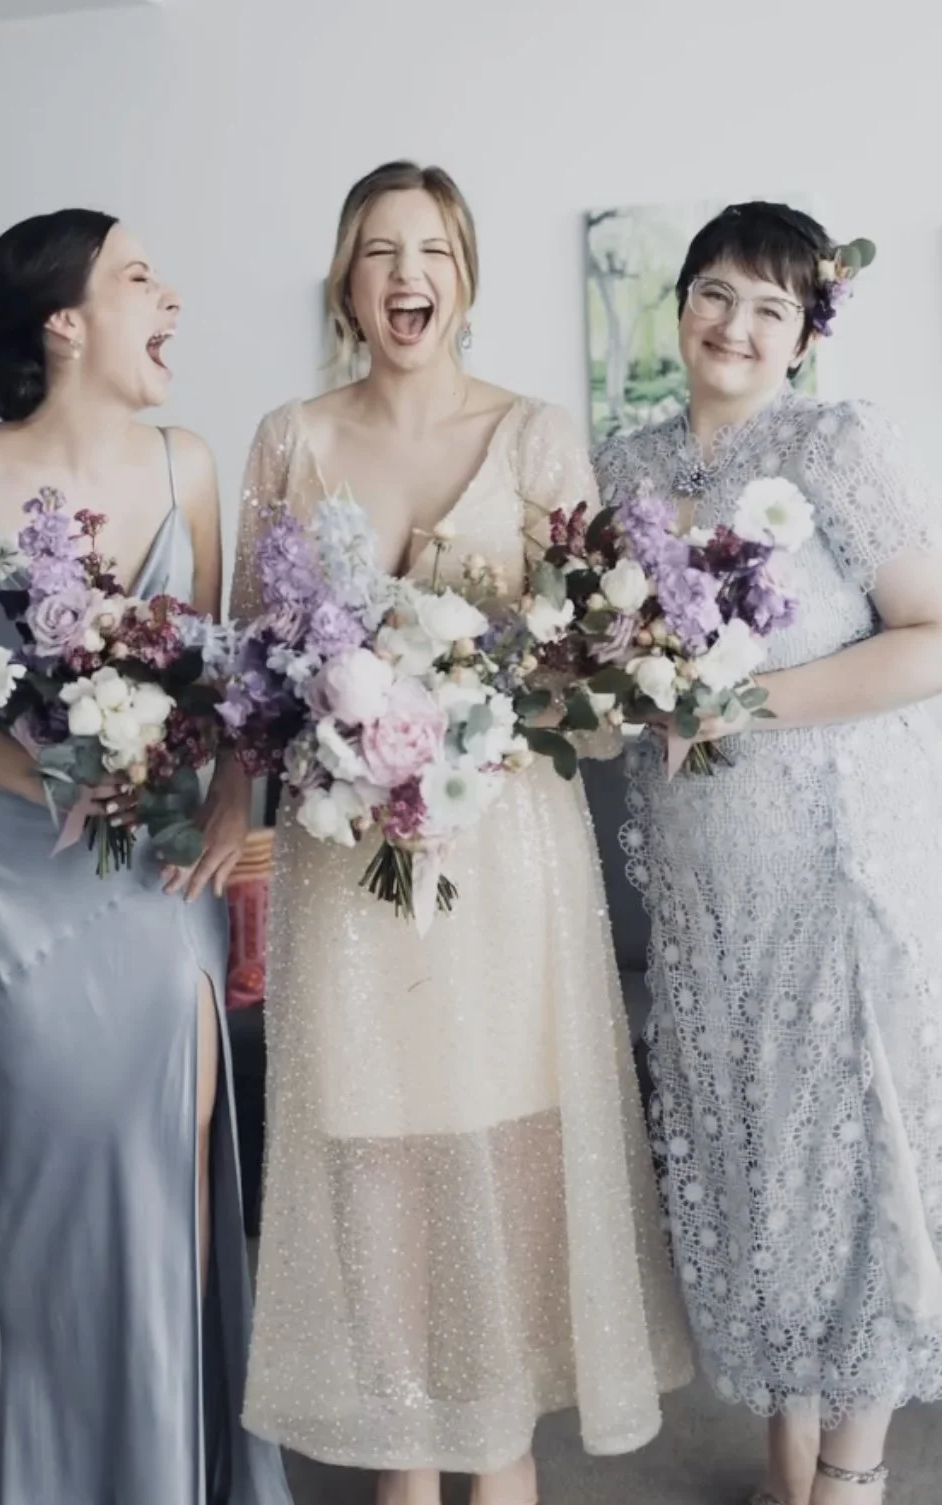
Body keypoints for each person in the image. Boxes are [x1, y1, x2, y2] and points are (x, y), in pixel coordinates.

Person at [231, 160, 693, 1505]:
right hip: (346, 852)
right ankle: (400, 1458)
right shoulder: (288, 435)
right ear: (345, 282)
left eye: (429, 249)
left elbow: (592, 668)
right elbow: (255, 671)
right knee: (367, 1142)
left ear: (466, 276)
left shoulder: (541, 435)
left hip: (500, 854)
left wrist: (468, 696)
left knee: (502, 1142)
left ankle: (496, 1453)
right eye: (377, 251)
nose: (404, 275)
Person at [0, 209, 291, 1505]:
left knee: (174, 1188)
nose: (174, 299)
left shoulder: (188, 462)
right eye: (142, 276)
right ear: (65, 320)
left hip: (158, 888)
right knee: (50, 1223)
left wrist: (227, 803)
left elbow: (240, 667)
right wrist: (50, 767)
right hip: (5, 901)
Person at [595, 202, 942, 1505]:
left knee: (851, 1160)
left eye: (770, 308)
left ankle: (853, 1475)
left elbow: (932, 633)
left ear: (804, 335)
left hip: (836, 862)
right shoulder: (624, 466)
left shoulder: (838, 444)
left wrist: (736, 706)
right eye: (715, 294)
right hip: (700, 872)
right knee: (750, 1150)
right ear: (678, 304)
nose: (734, 326)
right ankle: (788, 1459)